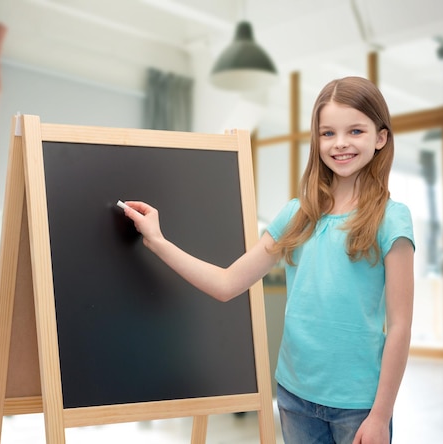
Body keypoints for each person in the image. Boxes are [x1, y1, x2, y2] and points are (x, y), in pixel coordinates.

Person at [123, 76, 415, 444]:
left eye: (355, 130)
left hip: (359, 407)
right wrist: (158, 241)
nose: (340, 143)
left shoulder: (393, 218)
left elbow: (401, 326)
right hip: (295, 398)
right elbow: (227, 284)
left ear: (380, 137)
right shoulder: (297, 214)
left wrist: (381, 415)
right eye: (328, 133)